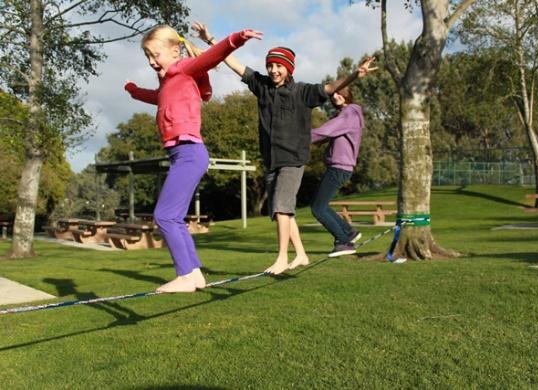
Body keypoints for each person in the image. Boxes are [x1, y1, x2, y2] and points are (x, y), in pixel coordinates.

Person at [192, 22, 375, 275]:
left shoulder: (303, 92)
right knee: (284, 213)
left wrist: (355, 73)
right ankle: (300, 253)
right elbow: (235, 64)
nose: (274, 70)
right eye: (271, 65)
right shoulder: (262, 85)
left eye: (279, 66)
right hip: (272, 159)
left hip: (293, 158)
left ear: (288, 69)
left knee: (280, 207)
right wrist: (211, 39)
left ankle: (281, 258)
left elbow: (331, 88)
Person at [124, 24, 263, 293]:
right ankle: (195, 275)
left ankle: (185, 274)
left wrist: (236, 39)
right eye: (148, 57)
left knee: (164, 216)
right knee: (173, 218)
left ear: (175, 51)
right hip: (182, 154)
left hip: (189, 152)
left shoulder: (183, 68)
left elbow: (212, 57)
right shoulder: (169, 81)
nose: (152, 62)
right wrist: (134, 91)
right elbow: (158, 97)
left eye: (155, 55)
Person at [310, 85, 367, 257]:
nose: (335, 96)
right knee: (322, 205)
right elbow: (332, 133)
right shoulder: (347, 114)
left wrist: (300, 138)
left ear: (347, 94)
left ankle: (344, 242)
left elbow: (327, 130)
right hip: (341, 167)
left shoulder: (349, 113)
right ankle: (349, 232)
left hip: (339, 167)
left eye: (339, 92)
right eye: (333, 94)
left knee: (318, 208)